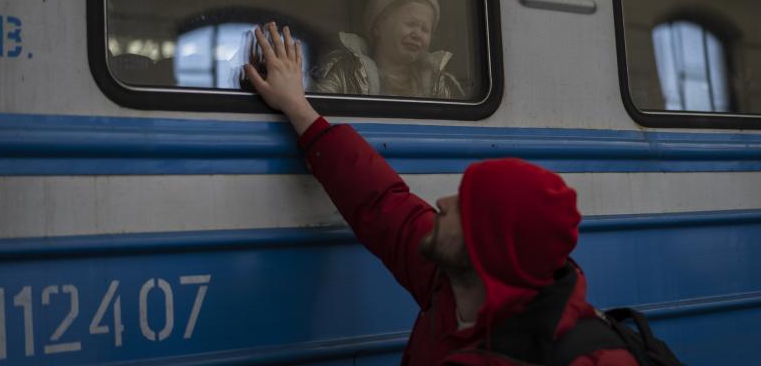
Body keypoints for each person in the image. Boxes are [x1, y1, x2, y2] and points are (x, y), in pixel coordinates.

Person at [243, 23, 638, 365]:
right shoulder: (451, 282)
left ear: (489, 245)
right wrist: (297, 106)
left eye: (464, 205)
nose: (442, 204)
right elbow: (380, 200)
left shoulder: (592, 359)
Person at [311, 0, 465, 99]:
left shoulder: (440, 83)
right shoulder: (346, 72)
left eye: (425, 29)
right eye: (411, 24)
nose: (417, 34)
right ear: (378, 27)